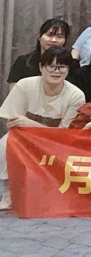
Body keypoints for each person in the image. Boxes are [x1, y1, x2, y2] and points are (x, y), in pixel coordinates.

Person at [0, 47, 85, 210]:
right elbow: (12, 122)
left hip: (57, 144)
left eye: (61, 67)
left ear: (68, 69)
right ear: (41, 67)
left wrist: (30, 124)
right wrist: (29, 129)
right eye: (51, 66)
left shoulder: (76, 95)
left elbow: (65, 134)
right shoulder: (25, 85)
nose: (56, 71)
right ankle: (7, 193)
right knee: (5, 143)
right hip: (23, 139)